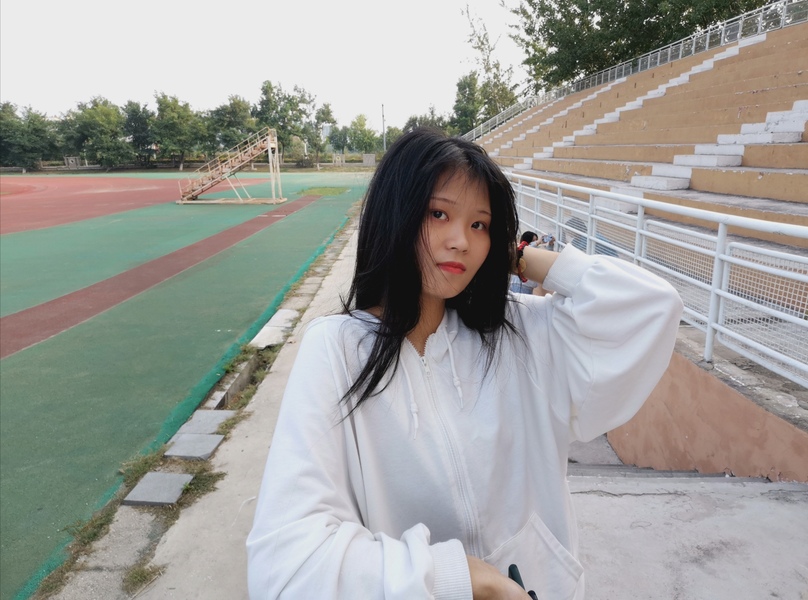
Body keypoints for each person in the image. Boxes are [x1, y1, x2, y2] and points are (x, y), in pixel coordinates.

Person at [247, 128, 683, 600]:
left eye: (480, 225)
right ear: (396, 214)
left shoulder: (520, 331)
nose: (461, 241)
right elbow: (287, 567)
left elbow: (652, 306)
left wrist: (518, 257)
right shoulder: (337, 351)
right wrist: (459, 577)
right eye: (439, 214)